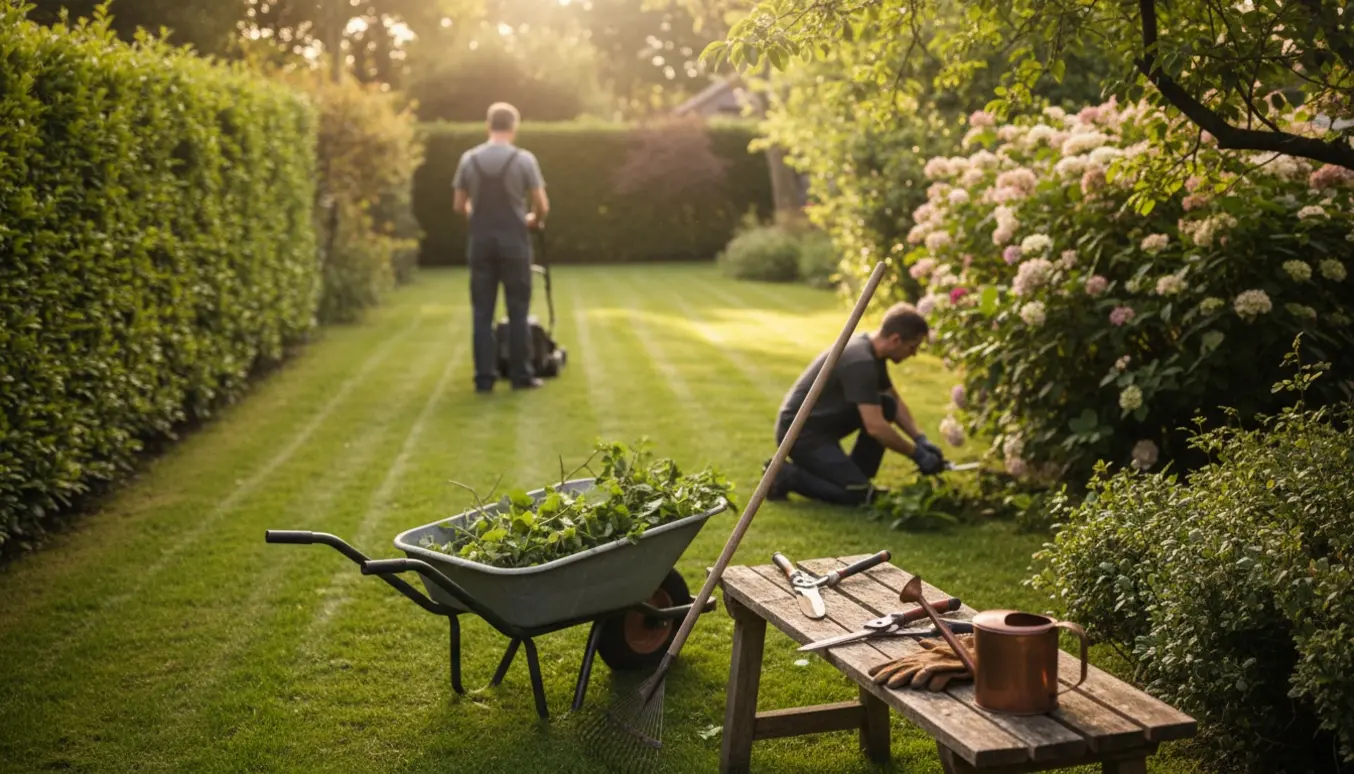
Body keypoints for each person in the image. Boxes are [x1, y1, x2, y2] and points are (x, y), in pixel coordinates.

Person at [767, 302, 946, 505]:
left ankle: (854, 475)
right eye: (912, 347)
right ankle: (784, 475)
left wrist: (920, 438)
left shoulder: (872, 352)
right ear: (896, 340)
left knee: (886, 404)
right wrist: (917, 454)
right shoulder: (861, 362)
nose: (913, 354)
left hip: (822, 430)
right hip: (800, 435)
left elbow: (894, 401)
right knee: (858, 494)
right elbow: (876, 427)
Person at [453, 102, 550, 392]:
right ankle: (520, 376)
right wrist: (533, 219)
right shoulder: (524, 160)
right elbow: (542, 205)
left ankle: (484, 378)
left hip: (481, 243)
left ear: (488, 125)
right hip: (515, 244)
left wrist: (477, 215)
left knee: (482, 312)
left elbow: (459, 204)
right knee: (518, 311)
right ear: (514, 127)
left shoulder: (468, 159)